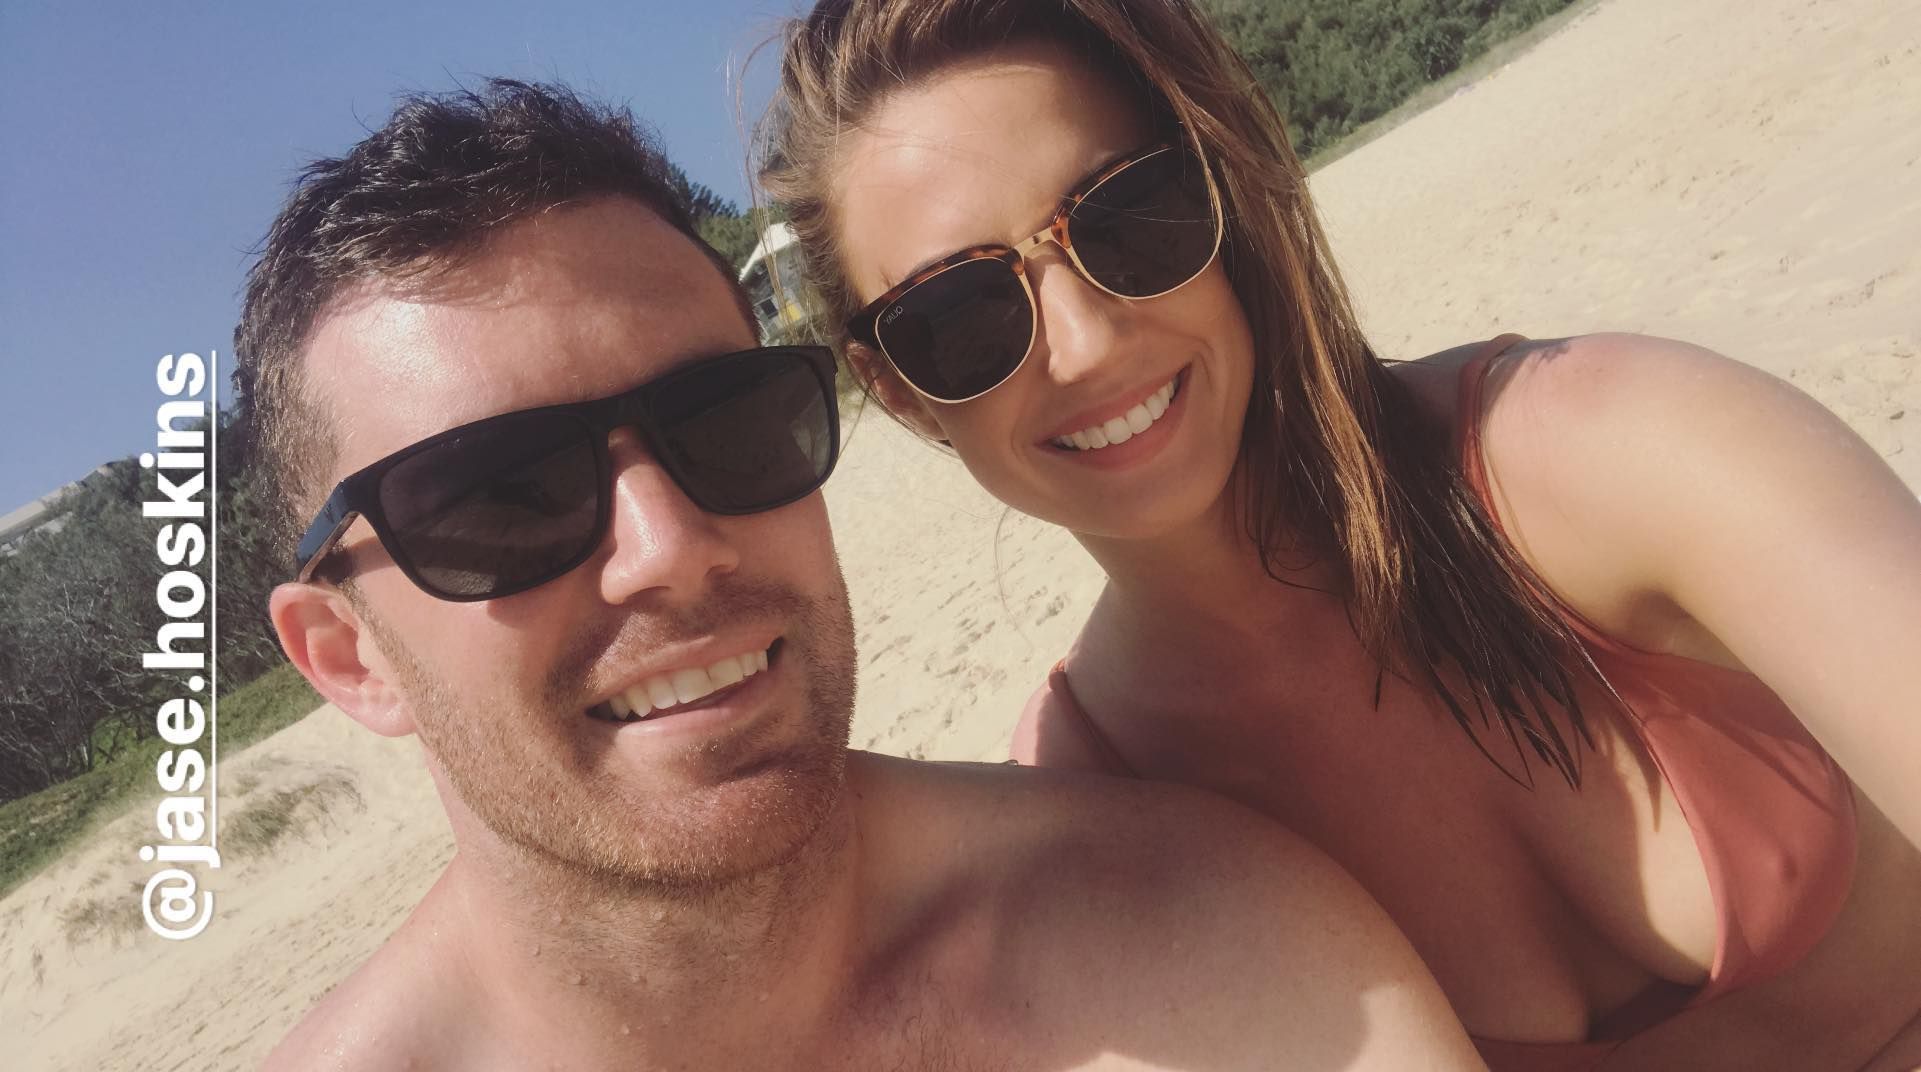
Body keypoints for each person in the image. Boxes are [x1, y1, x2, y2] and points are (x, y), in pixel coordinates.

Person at [757, 1, 1921, 1068]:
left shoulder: (1602, 449)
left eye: (1126, 217)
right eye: (959, 315)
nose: (1088, 340)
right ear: (899, 391)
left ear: (1220, 188)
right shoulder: (1099, 792)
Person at [239, 79, 1484, 1070]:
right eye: (500, 497)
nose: (670, 546)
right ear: (348, 658)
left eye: (724, 422)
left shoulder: (1197, 934)